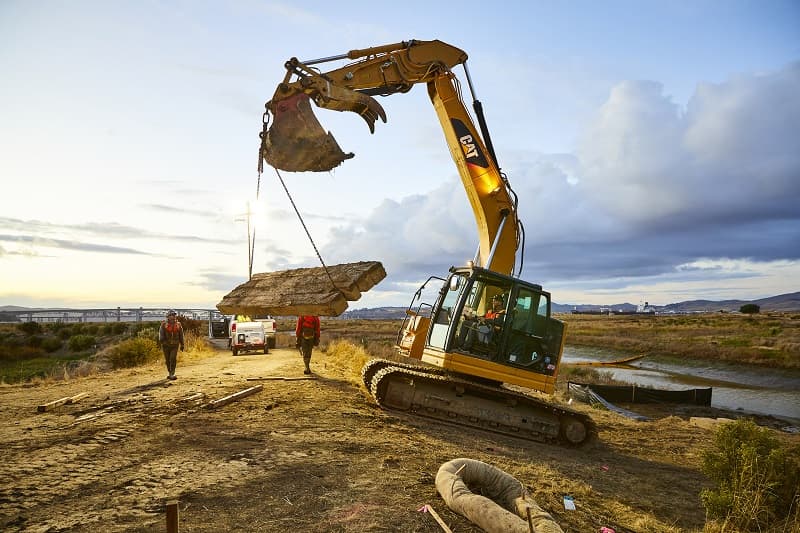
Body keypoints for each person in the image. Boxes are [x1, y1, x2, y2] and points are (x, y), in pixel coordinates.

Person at [158, 309, 184, 380]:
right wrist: (162, 341)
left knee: (172, 358)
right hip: (166, 345)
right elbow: (161, 334)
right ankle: (169, 372)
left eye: (174, 315)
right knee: (167, 360)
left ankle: (172, 373)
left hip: (175, 345)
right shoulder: (163, 324)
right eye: (171, 315)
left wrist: (182, 344)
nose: (172, 317)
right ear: (168, 317)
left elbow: (181, 335)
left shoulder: (178, 325)